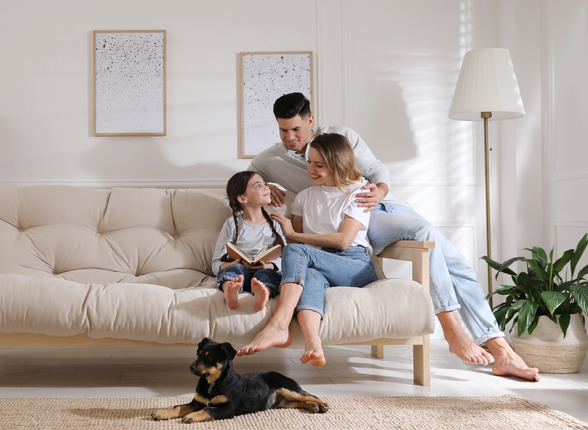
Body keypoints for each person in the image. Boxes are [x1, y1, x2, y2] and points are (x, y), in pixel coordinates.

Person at [245, 92, 540, 382]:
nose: (290, 137)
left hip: (376, 207)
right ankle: (479, 343)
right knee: (435, 244)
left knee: (454, 262)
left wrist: (380, 192)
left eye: (296, 128)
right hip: (350, 221)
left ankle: (486, 344)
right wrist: (266, 185)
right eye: (283, 130)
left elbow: (376, 170)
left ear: (311, 120)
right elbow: (249, 177)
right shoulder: (274, 158)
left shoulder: (340, 136)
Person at [237, 133, 378, 367]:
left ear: (337, 164)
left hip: (354, 264)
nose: (310, 169)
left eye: (319, 165)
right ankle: (314, 344)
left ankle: (278, 324)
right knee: (308, 275)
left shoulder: (359, 193)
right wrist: (267, 260)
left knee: (298, 252)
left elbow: (344, 241)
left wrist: (293, 235)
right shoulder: (304, 198)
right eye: (309, 162)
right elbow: (298, 250)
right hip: (319, 264)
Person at [212, 171, 286, 311]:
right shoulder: (232, 224)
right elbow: (216, 263)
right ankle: (230, 290)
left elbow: (287, 259)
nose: (266, 188)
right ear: (242, 198)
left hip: (264, 270)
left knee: (268, 275)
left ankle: (263, 294)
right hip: (239, 271)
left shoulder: (275, 223)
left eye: (265, 184)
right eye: (258, 185)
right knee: (234, 270)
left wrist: (267, 266)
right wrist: (234, 263)